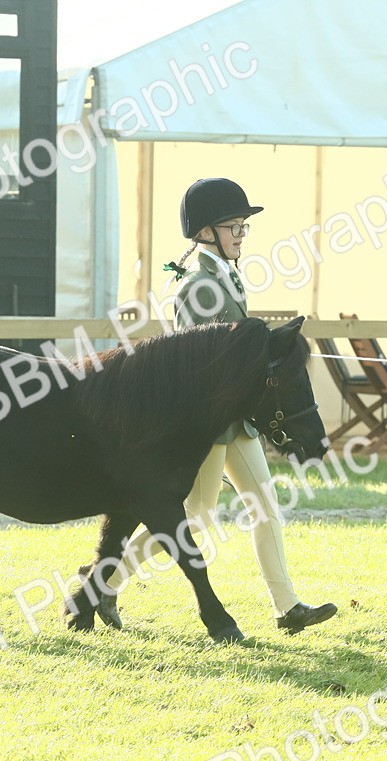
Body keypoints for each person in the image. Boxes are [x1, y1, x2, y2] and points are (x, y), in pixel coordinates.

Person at [98, 178, 337, 635]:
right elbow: (200, 358)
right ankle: (105, 581)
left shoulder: (226, 274)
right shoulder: (196, 287)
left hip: (238, 419)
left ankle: (287, 607)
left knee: (265, 507)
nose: (241, 235)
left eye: (244, 227)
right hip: (208, 422)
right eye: (234, 227)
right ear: (206, 232)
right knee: (197, 515)